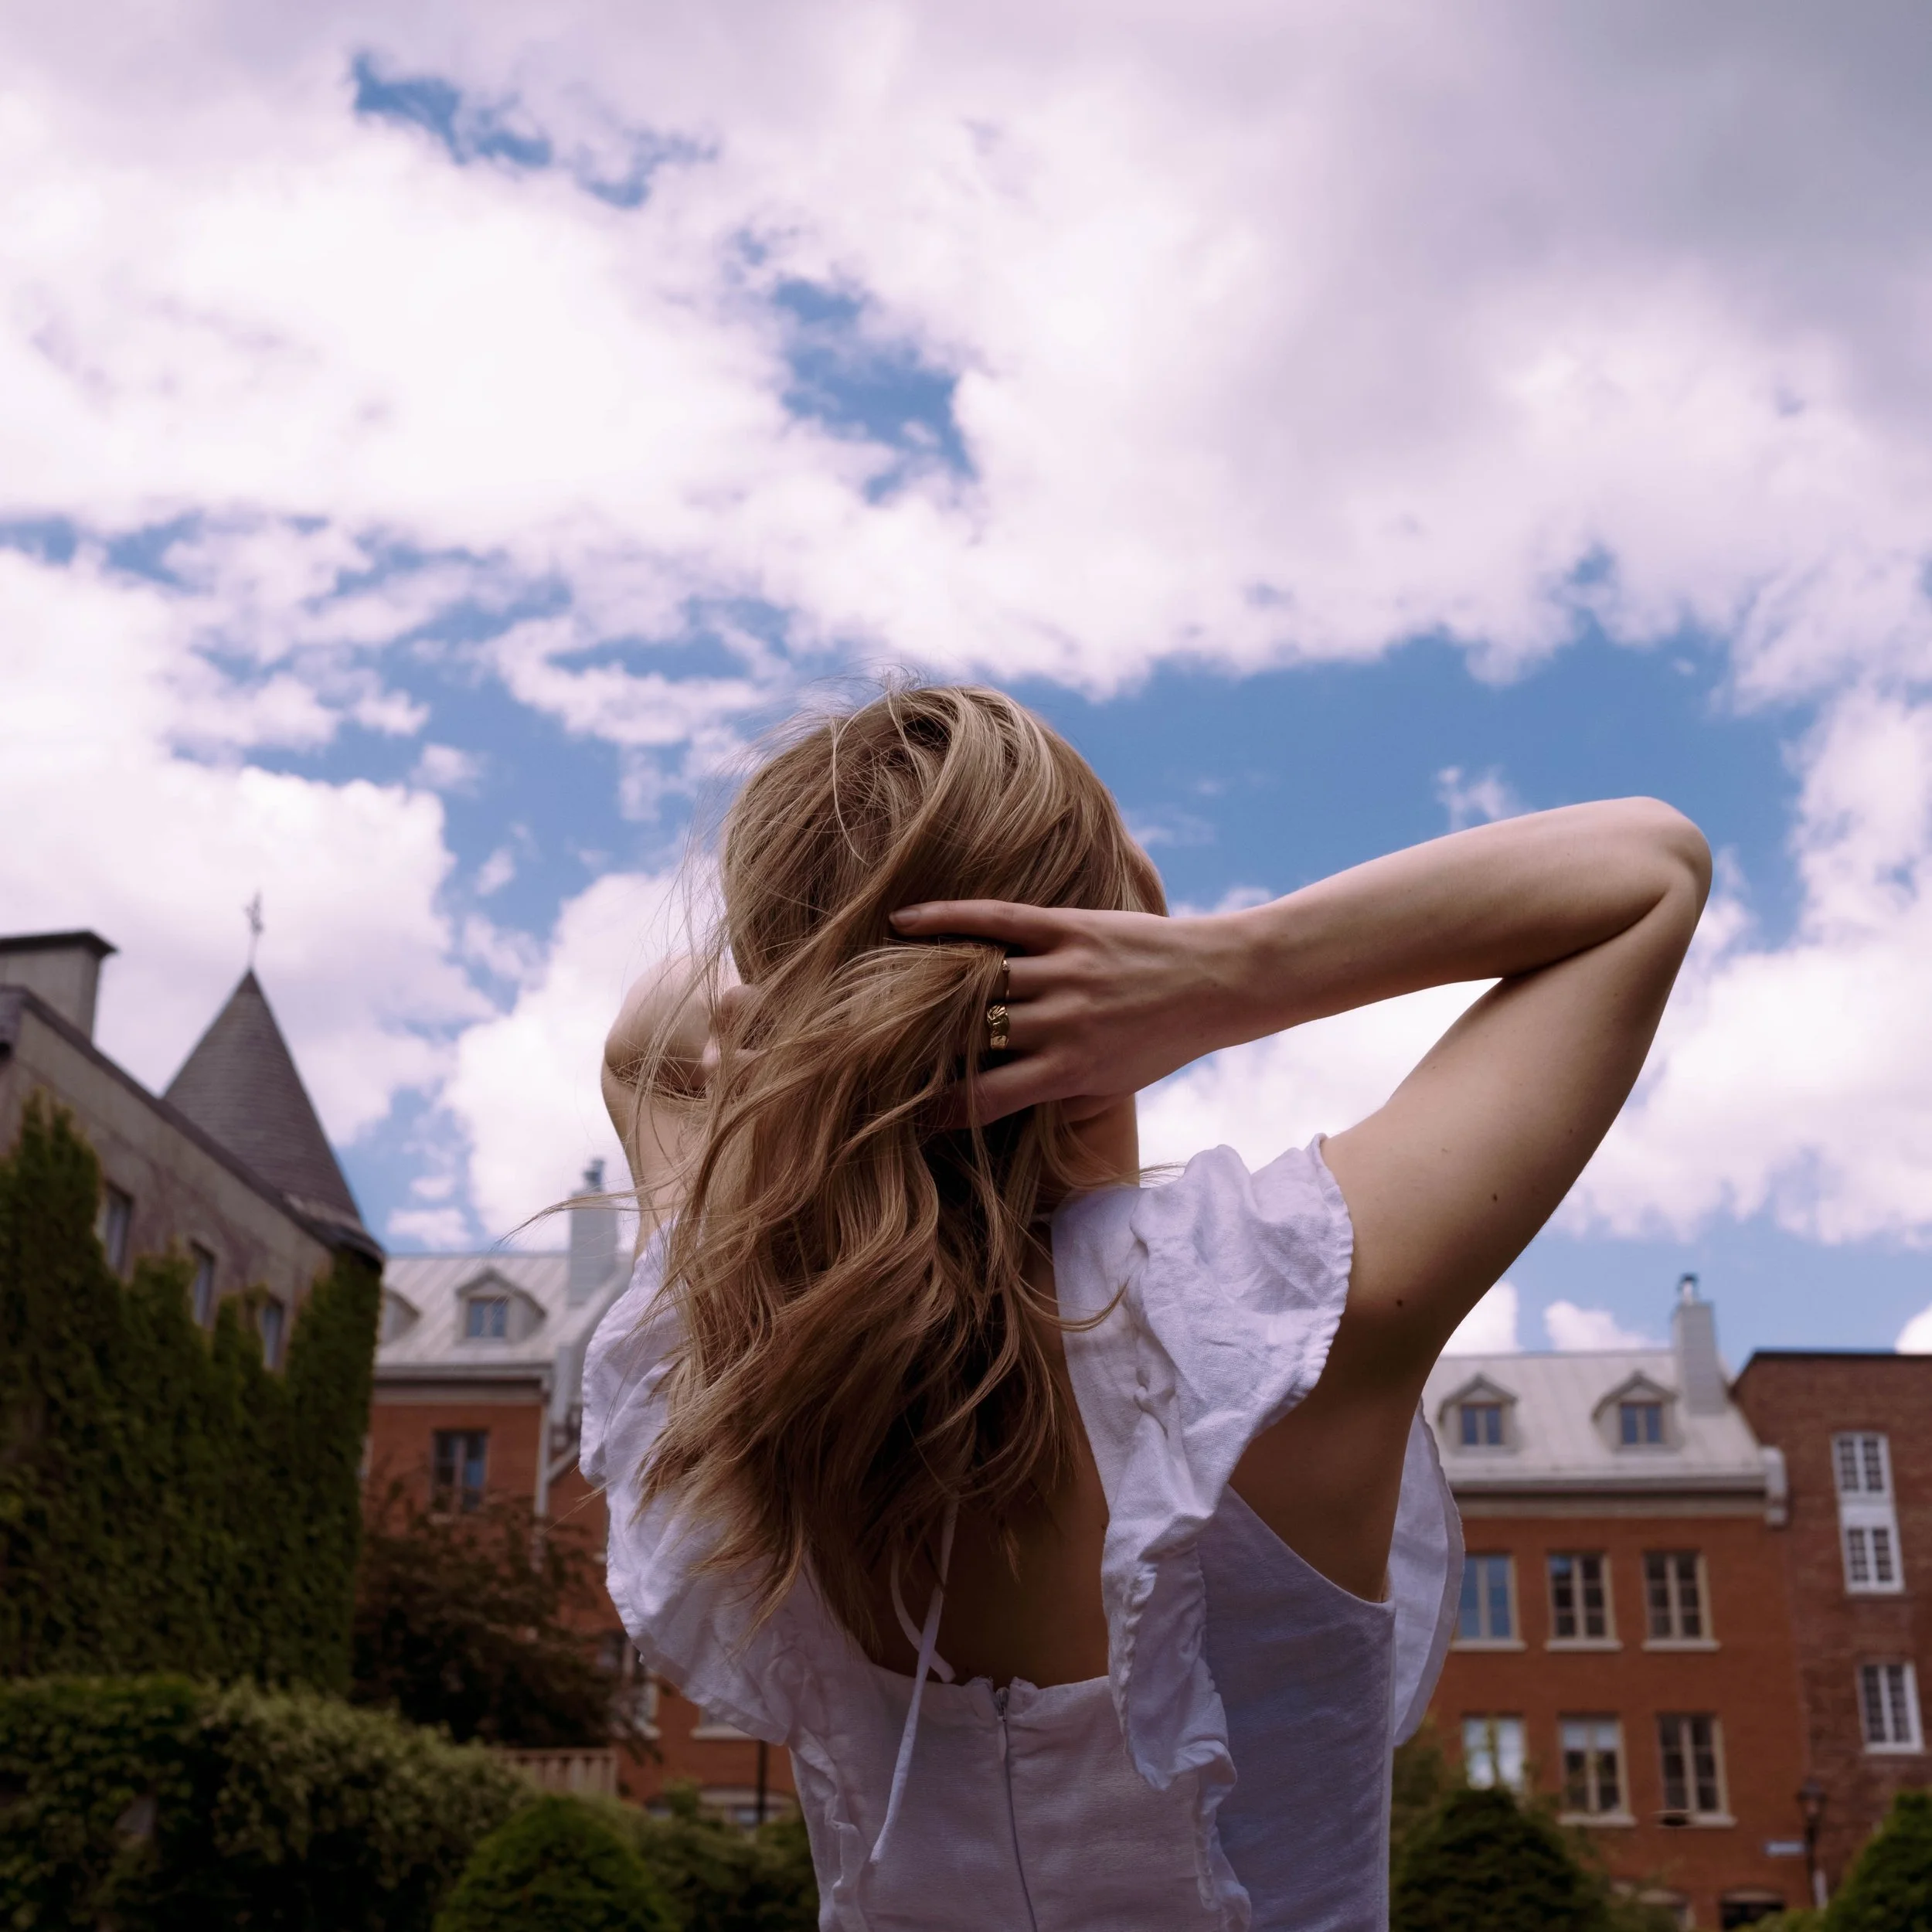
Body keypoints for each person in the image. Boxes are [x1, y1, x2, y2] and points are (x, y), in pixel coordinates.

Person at [583, 683, 1709, 1931]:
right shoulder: (1266, 1318)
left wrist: (829, 1026)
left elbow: (647, 1037)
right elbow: (1647, 865)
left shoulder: (730, 1340)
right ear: (1124, 944)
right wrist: (1233, 969)